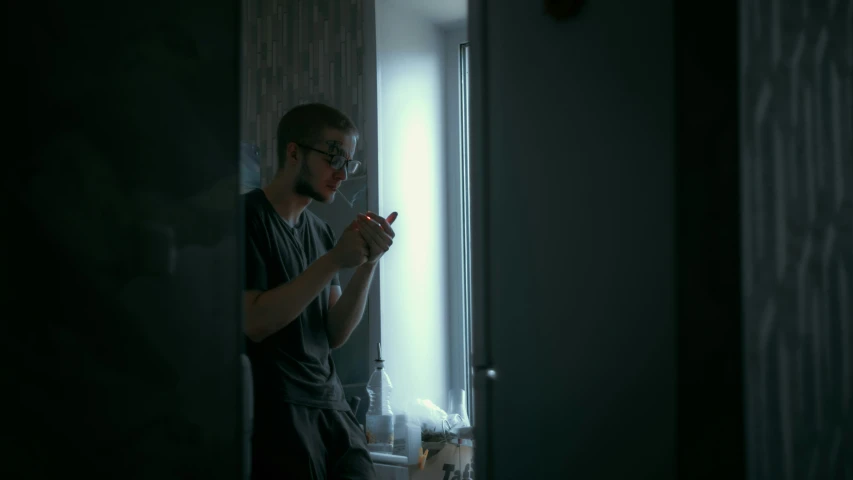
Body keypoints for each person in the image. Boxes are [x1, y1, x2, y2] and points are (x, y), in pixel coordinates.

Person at [243, 103, 397, 479]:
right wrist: (331, 262)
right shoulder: (247, 218)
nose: (342, 173)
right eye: (333, 157)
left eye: (349, 162)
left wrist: (367, 263)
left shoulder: (320, 232)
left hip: (334, 409)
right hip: (280, 412)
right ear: (294, 151)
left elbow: (333, 334)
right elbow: (255, 321)